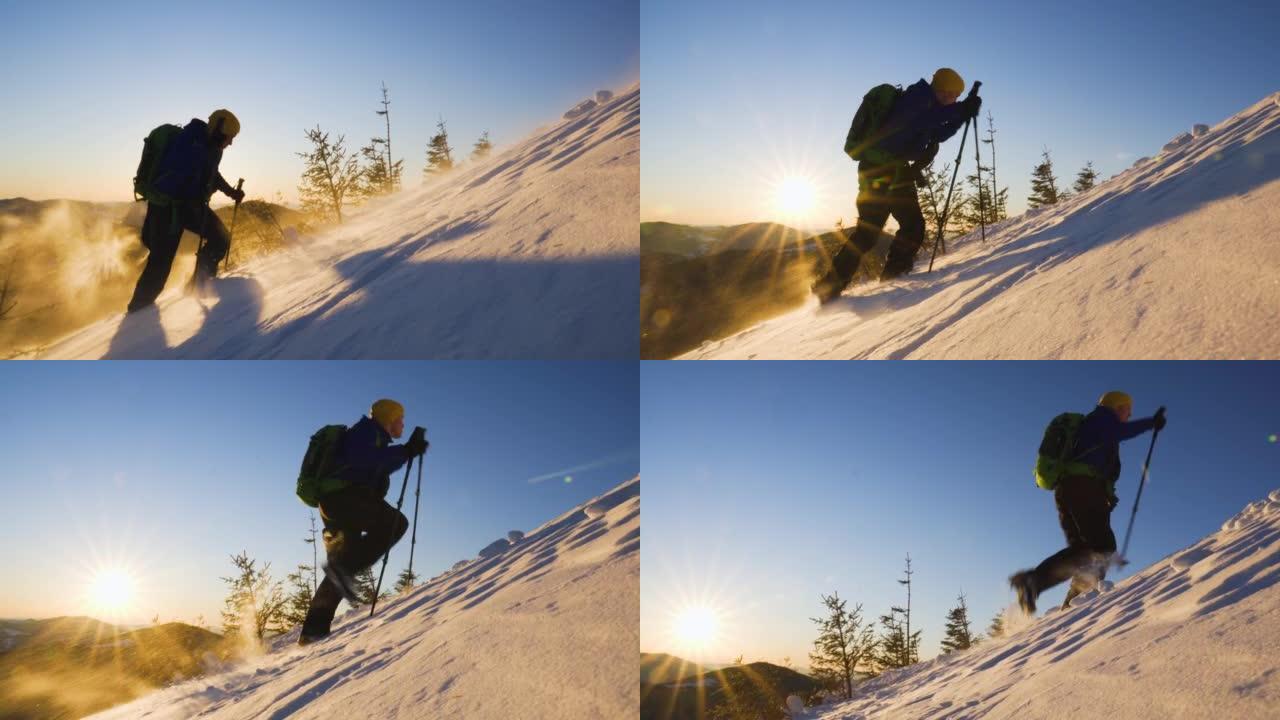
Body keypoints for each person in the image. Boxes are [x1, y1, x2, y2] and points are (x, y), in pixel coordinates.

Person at [814, 68, 981, 302]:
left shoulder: (932, 106)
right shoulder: (917, 99)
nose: (955, 100)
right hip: (877, 171)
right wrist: (960, 110)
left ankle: (893, 277)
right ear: (945, 91)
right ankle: (829, 286)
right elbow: (922, 122)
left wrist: (961, 115)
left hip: (897, 172)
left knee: (912, 225)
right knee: (869, 233)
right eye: (955, 96)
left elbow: (938, 134)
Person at [1010, 392, 1167, 614]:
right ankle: (1078, 600)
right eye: (1127, 409)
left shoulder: (1093, 425)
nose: (1129, 414)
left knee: (1083, 551)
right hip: (1082, 488)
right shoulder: (1102, 419)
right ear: (1116, 406)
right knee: (1103, 547)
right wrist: (1151, 423)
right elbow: (1118, 432)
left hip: (1069, 490)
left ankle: (1037, 585)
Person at [299, 398, 429, 645]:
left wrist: (404, 451)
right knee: (395, 524)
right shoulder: (367, 432)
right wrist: (406, 451)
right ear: (388, 419)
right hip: (346, 500)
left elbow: (371, 462)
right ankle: (341, 573)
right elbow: (367, 461)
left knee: (343, 562)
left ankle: (313, 632)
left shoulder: (370, 436)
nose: (403, 424)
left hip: (336, 504)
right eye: (400, 419)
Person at [126, 109, 247, 313]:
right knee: (160, 265)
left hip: (190, 206)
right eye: (229, 138)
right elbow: (171, 180)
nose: (230, 143)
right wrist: (192, 196)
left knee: (221, 238)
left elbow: (212, 174)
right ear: (218, 130)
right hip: (167, 209)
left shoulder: (213, 147)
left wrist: (231, 192)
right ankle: (137, 312)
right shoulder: (188, 143)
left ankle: (199, 283)